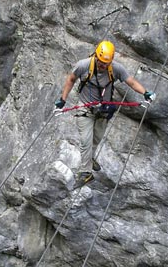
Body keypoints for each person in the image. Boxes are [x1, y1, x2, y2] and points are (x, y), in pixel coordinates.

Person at [55, 40, 156, 187]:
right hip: (85, 107)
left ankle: (90, 158)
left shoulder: (116, 69)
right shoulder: (83, 65)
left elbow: (131, 82)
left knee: (97, 138)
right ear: (96, 56)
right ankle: (86, 173)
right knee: (85, 140)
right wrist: (62, 100)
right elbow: (71, 79)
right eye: (101, 62)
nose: (103, 65)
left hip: (104, 109)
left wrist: (145, 93)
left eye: (106, 63)